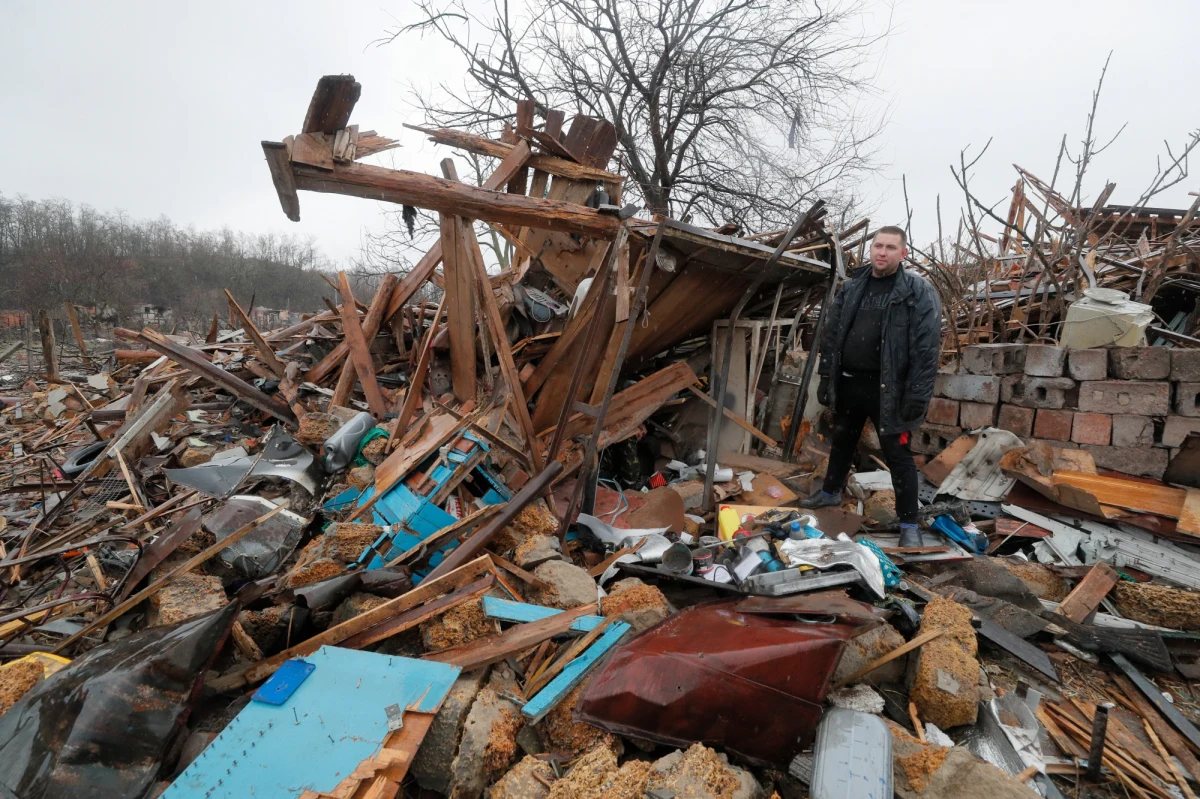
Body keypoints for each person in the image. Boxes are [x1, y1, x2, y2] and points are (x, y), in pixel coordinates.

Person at [800, 226, 942, 548]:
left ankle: (909, 525)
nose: (882, 252)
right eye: (878, 245)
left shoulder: (917, 291)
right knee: (842, 441)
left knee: (898, 455)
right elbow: (833, 335)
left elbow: (926, 347)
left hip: (889, 390)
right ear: (870, 249)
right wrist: (827, 377)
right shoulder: (853, 288)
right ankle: (828, 493)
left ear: (903, 253)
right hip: (851, 382)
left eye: (891, 247)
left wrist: (917, 394)